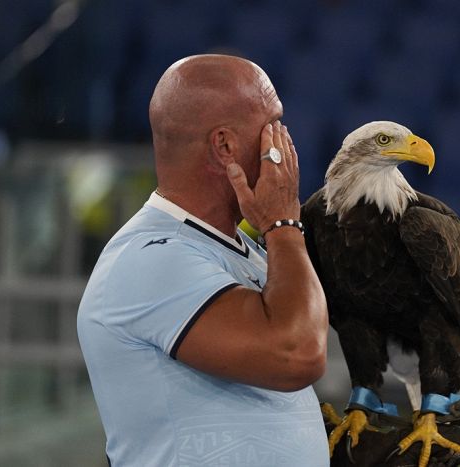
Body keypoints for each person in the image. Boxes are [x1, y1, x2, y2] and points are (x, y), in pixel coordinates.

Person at [76, 54, 330, 467]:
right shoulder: (151, 259)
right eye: (271, 125)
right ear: (225, 147)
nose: (282, 140)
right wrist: (284, 222)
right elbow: (297, 353)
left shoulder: (241, 252)